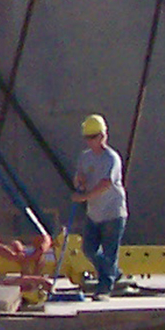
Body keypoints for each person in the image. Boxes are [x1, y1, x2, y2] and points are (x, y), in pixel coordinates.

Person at [69, 113, 127, 296]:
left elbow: (105, 184)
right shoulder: (85, 157)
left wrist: (84, 197)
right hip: (94, 214)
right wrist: (80, 182)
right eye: (88, 138)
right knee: (88, 249)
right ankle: (114, 274)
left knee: (109, 253)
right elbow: (80, 177)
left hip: (113, 213)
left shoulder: (112, 159)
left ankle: (104, 289)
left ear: (104, 135)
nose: (92, 141)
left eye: (95, 137)